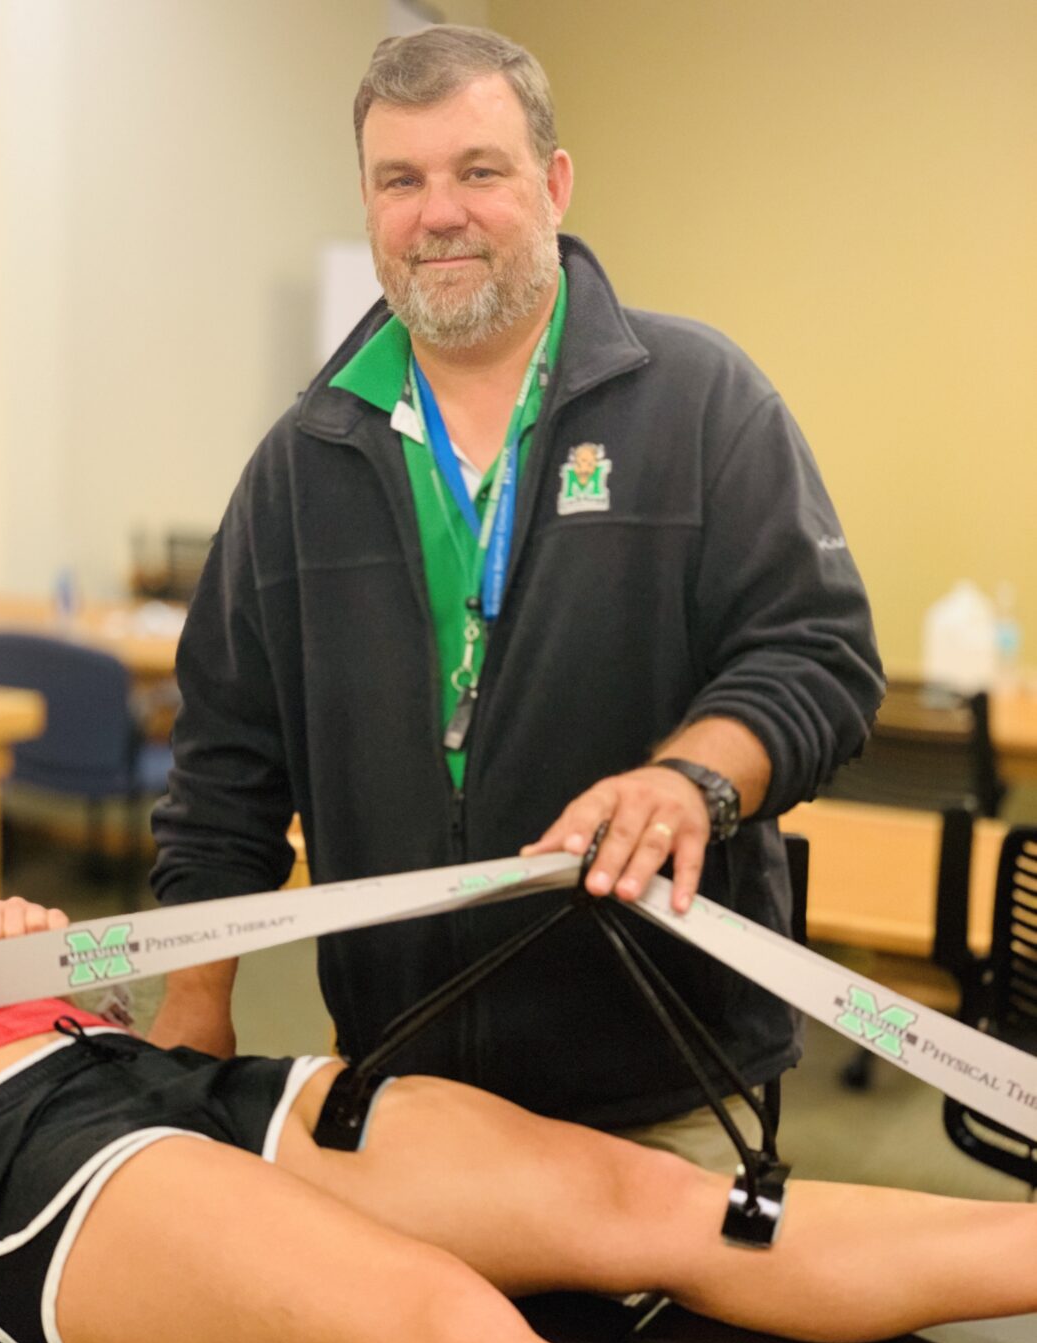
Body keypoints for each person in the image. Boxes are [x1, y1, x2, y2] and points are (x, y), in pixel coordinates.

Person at [149, 25, 884, 1162]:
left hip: (670, 1092)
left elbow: (818, 658)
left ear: (552, 184)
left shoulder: (702, 400)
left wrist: (691, 779)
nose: (438, 212)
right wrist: (195, 1003)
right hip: (398, 1088)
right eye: (402, 180)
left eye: (478, 171)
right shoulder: (301, 461)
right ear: (368, 202)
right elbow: (223, 770)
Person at [0, 896, 1037, 1343]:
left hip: (104, 1054)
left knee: (656, 1199)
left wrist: (12, 943)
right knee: (446, 1326)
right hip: (0, 1133)